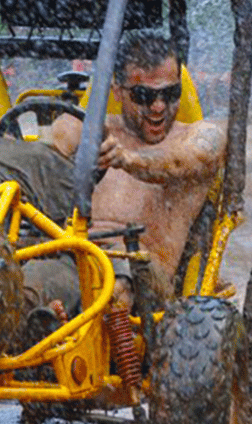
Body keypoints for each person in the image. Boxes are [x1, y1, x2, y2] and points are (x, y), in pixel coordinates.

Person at [44, 28, 226, 312]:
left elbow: (179, 162)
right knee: (15, 283)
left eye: (171, 93)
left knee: (112, 287)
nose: (158, 107)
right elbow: (44, 149)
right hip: (71, 258)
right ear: (117, 91)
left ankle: (65, 327)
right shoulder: (89, 128)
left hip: (142, 275)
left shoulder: (202, 137)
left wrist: (128, 159)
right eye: (143, 96)